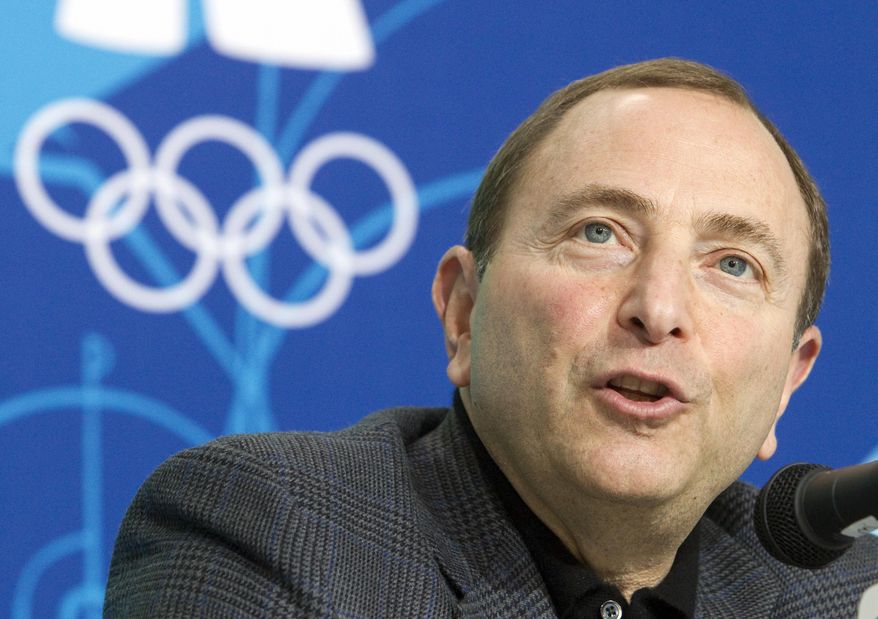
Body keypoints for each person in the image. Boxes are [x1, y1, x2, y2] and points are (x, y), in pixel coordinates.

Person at [104, 58, 878, 618]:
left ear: (789, 379)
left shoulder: (843, 595)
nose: (658, 307)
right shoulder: (272, 527)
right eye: (599, 232)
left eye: (733, 264)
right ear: (463, 312)